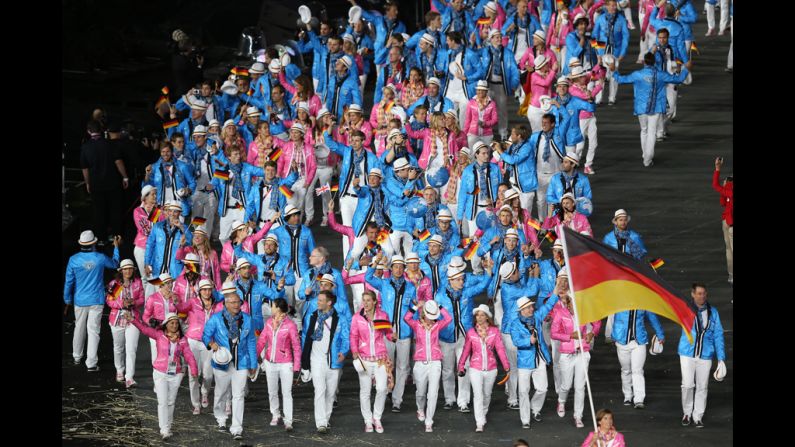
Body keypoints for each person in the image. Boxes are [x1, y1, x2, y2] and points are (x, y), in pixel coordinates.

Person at [609, 52, 688, 167]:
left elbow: (620, 80)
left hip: (641, 107)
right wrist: (685, 69)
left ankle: (645, 155)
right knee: (652, 132)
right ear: (654, 62)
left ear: (644, 62)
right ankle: (647, 159)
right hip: (656, 107)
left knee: (644, 131)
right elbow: (678, 79)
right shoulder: (661, 74)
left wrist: (613, 70)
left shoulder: (637, 74)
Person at [128, 312, 198, 440]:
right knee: (162, 401)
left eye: (176, 323)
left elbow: (188, 355)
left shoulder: (182, 339)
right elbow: (144, 329)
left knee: (171, 402)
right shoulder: (159, 335)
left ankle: (168, 426)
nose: (175, 325)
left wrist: (194, 369)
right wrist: (133, 320)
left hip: (176, 374)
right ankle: (164, 429)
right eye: (172, 323)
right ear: (166, 324)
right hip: (160, 373)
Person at [202, 287, 258, 440]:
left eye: (237, 302)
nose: (235, 305)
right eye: (232, 302)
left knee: (238, 395)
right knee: (220, 393)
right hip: (222, 363)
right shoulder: (215, 318)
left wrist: (253, 363)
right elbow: (205, 335)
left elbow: (252, 341)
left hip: (242, 362)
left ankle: (237, 428)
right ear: (225, 304)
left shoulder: (247, 319)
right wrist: (211, 344)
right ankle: (220, 417)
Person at [365, 254, 417, 413]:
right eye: (396, 266)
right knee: (386, 364)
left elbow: (414, 309)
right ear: (391, 268)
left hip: (404, 331)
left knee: (403, 366)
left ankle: (397, 400)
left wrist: (413, 328)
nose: (399, 269)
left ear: (405, 269)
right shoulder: (384, 284)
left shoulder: (411, 287)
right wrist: (376, 262)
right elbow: (368, 277)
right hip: (387, 330)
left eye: (401, 267)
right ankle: (385, 390)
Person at [551, 269, 602, 428]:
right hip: (567, 354)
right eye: (573, 301)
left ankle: (577, 416)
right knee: (566, 385)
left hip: (582, 353)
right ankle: (561, 401)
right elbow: (554, 333)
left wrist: (592, 333)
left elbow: (597, 323)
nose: (576, 304)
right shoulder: (560, 312)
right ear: (568, 302)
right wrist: (569, 336)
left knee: (580, 386)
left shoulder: (585, 312)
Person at [64, 230, 121, 371]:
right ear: (94, 243)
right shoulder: (100, 258)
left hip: (79, 300)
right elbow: (115, 264)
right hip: (96, 299)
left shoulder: (73, 259)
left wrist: (67, 298)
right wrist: (116, 247)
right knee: (93, 330)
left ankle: (77, 357)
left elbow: (69, 281)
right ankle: (91, 363)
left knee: (79, 328)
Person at [301, 290, 351, 433]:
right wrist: (305, 363)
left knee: (330, 393)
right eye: (318, 300)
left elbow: (345, 337)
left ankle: (326, 418)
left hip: (333, 361)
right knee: (320, 391)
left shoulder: (340, 318)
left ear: (329, 303)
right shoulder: (312, 317)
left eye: (321, 300)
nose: (318, 302)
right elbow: (306, 338)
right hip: (316, 360)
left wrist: (344, 351)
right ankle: (321, 423)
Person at [679, 283, 726, 428]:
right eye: (699, 293)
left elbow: (718, 335)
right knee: (687, 385)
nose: (702, 296)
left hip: (705, 354)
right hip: (687, 352)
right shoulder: (685, 309)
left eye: (704, 293)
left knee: (702, 386)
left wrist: (721, 358)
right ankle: (687, 412)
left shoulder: (713, 312)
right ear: (693, 294)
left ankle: (697, 416)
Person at [457, 304, 510, 432]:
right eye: (477, 315)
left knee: (487, 394)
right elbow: (466, 351)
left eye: (482, 315)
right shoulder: (471, 332)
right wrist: (461, 365)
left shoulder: (494, 331)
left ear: (487, 317)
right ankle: (479, 421)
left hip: (491, 368)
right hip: (475, 368)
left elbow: (500, 349)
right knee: (478, 395)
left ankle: (483, 413)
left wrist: (506, 366)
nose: (479, 317)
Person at [403, 299, 452, 432]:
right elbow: (406, 317)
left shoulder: (438, 325)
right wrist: (416, 306)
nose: (432, 319)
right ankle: (420, 408)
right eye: (430, 316)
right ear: (424, 314)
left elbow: (448, 318)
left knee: (433, 393)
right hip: (420, 363)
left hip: (435, 362)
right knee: (420, 392)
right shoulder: (416, 325)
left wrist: (439, 305)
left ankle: (429, 420)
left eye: (433, 316)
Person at [350, 290, 393, 433]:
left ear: (375, 301)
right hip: (364, 359)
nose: (366, 303)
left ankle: (377, 417)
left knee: (382, 388)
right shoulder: (357, 317)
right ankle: (368, 420)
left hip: (380, 358)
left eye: (368, 300)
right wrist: (355, 351)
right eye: (364, 300)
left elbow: (387, 333)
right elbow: (353, 335)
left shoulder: (382, 316)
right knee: (365, 391)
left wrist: (392, 336)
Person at [174, 279, 220, 414]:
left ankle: (205, 391)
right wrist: (175, 301)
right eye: (204, 289)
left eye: (209, 289)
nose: (206, 292)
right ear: (199, 291)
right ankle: (196, 404)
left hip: (209, 342)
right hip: (193, 341)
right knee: (193, 374)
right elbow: (181, 308)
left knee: (208, 375)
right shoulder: (193, 302)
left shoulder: (217, 305)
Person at [256, 298, 302, 431]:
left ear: (277, 308)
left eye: (273, 306)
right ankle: (275, 414)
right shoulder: (269, 323)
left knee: (287, 392)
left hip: (286, 363)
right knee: (272, 391)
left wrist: (297, 366)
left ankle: (288, 420)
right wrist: (254, 359)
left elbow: (296, 346)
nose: (271, 308)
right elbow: (261, 341)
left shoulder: (290, 325)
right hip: (270, 362)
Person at [81, 120, 129, 243]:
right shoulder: (110, 144)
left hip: (96, 185)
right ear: (101, 130)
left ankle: (101, 238)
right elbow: (118, 161)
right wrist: (125, 177)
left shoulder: (85, 147)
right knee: (115, 210)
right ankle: (116, 237)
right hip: (113, 183)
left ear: (88, 131)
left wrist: (87, 183)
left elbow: (85, 169)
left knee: (98, 212)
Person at [611, 303, 665, 409]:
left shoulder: (642, 299)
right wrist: (612, 335)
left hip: (639, 341)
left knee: (637, 370)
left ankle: (639, 399)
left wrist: (660, 333)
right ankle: (627, 395)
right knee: (626, 370)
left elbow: (652, 316)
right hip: (622, 340)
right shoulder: (618, 299)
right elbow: (611, 317)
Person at [106, 259, 144, 387]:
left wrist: (134, 302)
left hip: (133, 319)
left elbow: (142, 299)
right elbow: (109, 301)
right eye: (125, 269)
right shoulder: (115, 284)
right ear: (121, 271)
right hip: (117, 319)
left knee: (131, 349)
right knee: (119, 347)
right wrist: (122, 303)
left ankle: (129, 377)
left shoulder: (137, 283)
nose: (128, 271)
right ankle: (119, 369)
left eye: (130, 268)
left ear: (133, 270)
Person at [592, 0, 630, 106]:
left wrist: (622, 53)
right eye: (611, 5)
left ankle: (612, 98)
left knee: (614, 74)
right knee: (601, 74)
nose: (613, 7)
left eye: (614, 5)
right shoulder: (600, 19)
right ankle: (599, 98)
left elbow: (626, 37)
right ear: (606, 6)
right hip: (602, 49)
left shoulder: (621, 20)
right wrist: (598, 54)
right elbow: (594, 36)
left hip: (615, 50)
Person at [145, 201, 193, 279]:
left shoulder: (184, 228)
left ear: (179, 213)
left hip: (175, 271)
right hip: (158, 268)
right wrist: (147, 263)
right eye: (170, 210)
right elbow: (149, 245)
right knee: (156, 290)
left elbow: (191, 242)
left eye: (175, 211)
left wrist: (181, 227)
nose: (172, 213)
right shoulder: (158, 226)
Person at [712, 157, 732, 285]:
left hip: (726, 221)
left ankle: (731, 276)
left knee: (728, 249)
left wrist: (718, 169)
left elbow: (722, 202)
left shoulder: (728, 189)